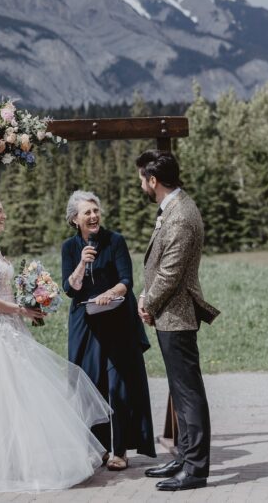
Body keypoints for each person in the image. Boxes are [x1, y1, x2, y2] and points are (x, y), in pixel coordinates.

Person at [0, 193, 111, 492]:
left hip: (13, 328)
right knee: (0, 398)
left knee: (21, 396)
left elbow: (4, 291)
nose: (4, 215)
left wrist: (34, 301)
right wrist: (20, 309)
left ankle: (18, 463)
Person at [135, 150, 220, 492]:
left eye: (142, 178)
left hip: (177, 312)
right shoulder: (173, 208)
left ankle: (196, 469)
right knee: (180, 391)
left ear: (153, 180)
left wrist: (148, 302)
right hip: (169, 312)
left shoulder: (182, 215)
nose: (141, 183)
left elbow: (171, 272)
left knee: (188, 393)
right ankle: (185, 456)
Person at [61, 191, 156, 471]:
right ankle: (98, 448)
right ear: (74, 219)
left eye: (95, 210)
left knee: (119, 385)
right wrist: (81, 262)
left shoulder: (115, 240)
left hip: (117, 319)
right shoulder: (69, 247)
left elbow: (126, 279)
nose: (93, 216)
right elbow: (69, 289)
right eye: (86, 212)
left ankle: (120, 450)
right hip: (86, 323)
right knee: (91, 384)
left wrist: (109, 293)